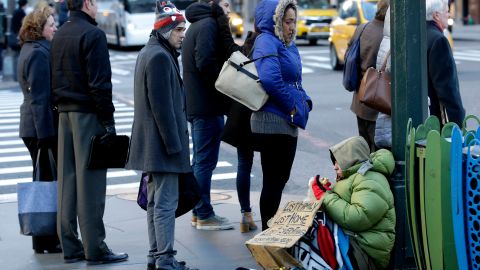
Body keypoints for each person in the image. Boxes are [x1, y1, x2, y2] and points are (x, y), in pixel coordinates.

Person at [51, 0, 127, 265]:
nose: (97, 6)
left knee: (67, 182)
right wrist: (108, 121)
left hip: (63, 114)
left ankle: (70, 245)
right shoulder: (93, 34)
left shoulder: (60, 32)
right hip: (88, 114)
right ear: (86, 4)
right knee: (91, 184)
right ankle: (95, 248)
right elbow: (99, 83)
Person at [125, 1, 196, 269]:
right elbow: (162, 108)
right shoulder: (158, 57)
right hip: (162, 146)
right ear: (167, 30)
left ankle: (157, 256)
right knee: (164, 204)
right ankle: (165, 259)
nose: (183, 35)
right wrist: (175, 146)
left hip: (152, 145)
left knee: (156, 203)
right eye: (179, 30)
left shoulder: (150, 52)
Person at [250, 0, 312, 230]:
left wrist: (305, 102)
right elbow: (270, 79)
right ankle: (268, 234)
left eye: (294, 21)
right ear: (276, 21)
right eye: (287, 21)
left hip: (286, 120)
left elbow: (295, 79)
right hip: (271, 120)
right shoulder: (266, 40)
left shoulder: (287, 44)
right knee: (273, 182)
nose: (292, 26)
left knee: (280, 179)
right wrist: (292, 107)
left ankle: (270, 231)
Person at [182, 0, 233, 230]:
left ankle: (198, 210)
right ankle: (204, 213)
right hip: (206, 105)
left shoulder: (197, 24)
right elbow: (205, 63)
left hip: (199, 104)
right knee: (204, 162)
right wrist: (225, 83)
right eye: (226, 4)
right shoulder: (208, 26)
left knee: (201, 161)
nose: (229, 10)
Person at [309, 136, 396, 270]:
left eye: (338, 162)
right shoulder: (355, 176)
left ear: (351, 160)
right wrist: (327, 192)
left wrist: (325, 197)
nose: (334, 167)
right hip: (354, 241)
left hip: (366, 251)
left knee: (314, 245)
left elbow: (358, 217)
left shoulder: (371, 179)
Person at [17, 6, 60, 255]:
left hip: (33, 127)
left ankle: (42, 240)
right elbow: (39, 98)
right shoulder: (38, 54)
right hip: (39, 129)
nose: (55, 27)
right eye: (51, 24)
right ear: (39, 28)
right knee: (46, 184)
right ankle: (46, 239)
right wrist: (46, 136)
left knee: (44, 182)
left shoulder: (30, 49)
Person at [214, 3, 259, 233]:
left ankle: (246, 214)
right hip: (257, 116)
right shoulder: (269, 50)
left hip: (239, 116)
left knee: (244, 164)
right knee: (269, 168)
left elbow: (227, 42)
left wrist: (223, 18)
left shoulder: (243, 50)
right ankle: (261, 218)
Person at [348, 0, 389, 153]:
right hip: (378, 101)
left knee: (364, 149)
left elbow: (349, 56)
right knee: (377, 153)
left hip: (360, 98)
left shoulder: (361, 28)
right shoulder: (387, 35)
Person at [426, 0, 465, 126]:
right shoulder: (439, 40)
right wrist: (458, 121)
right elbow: (447, 88)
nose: (449, 15)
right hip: (434, 119)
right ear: (436, 15)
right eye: (447, 12)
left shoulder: (419, 34)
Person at [9, 0, 28, 81]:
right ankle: (19, 76)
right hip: (19, 37)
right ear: (24, 5)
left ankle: (15, 77)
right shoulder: (22, 13)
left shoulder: (15, 12)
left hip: (13, 37)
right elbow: (23, 26)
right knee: (20, 58)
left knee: (14, 57)